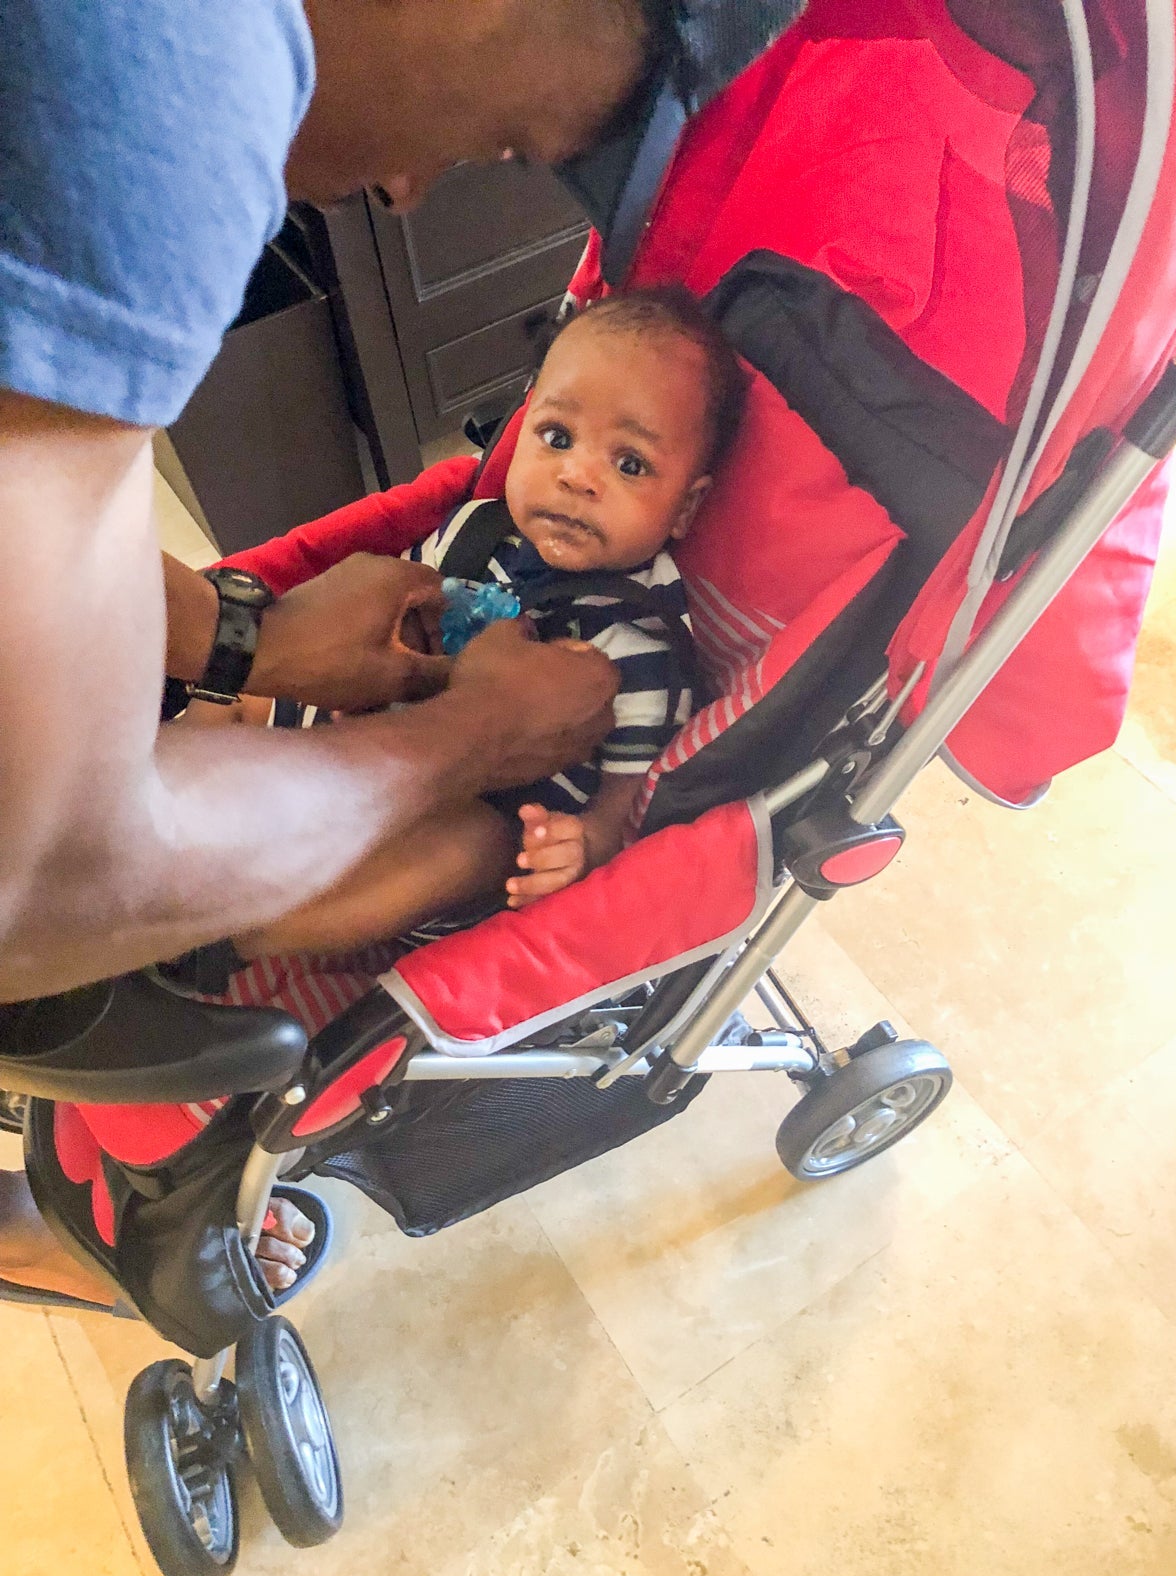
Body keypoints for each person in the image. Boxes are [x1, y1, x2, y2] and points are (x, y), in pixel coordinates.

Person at [0, 0, 667, 1301]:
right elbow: (34, 886)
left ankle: (224, 929)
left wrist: (256, 639)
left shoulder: (652, 626)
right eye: (502, 142)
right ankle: (211, 948)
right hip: (386, 763)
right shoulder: (164, 73)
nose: (412, 187)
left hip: (488, 800)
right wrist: (458, 735)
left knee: (464, 839)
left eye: (631, 462)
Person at [232, 287, 750, 959]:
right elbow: (393, 626)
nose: (576, 476)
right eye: (557, 438)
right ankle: (128, 808)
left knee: (472, 844)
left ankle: (229, 944)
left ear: (686, 507)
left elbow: (628, 803)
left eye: (629, 464)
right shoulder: (474, 531)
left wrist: (583, 843)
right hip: (352, 747)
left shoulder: (641, 647)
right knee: (246, 681)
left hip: (466, 823)